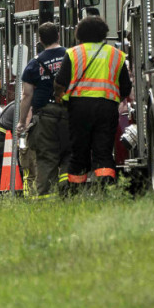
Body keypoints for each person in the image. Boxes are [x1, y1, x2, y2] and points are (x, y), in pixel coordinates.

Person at [53, 16, 131, 188]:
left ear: (80, 34)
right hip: (107, 107)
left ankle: (75, 190)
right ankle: (106, 187)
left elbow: (60, 82)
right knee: (103, 150)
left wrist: (59, 97)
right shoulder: (116, 55)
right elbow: (126, 87)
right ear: (103, 33)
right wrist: (114, 99)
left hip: (79, 108)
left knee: (79, 151)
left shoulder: (73, 53)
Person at [17, 22, 70, 197]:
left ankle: (46, 198)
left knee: (47, 158)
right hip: (69, 113)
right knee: (70, 153)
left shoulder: (34, 64)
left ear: (40, 40)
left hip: (44, 117)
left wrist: (21, 122)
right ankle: (68, 191)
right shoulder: (71, 56)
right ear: (58, 36)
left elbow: (27, 95)